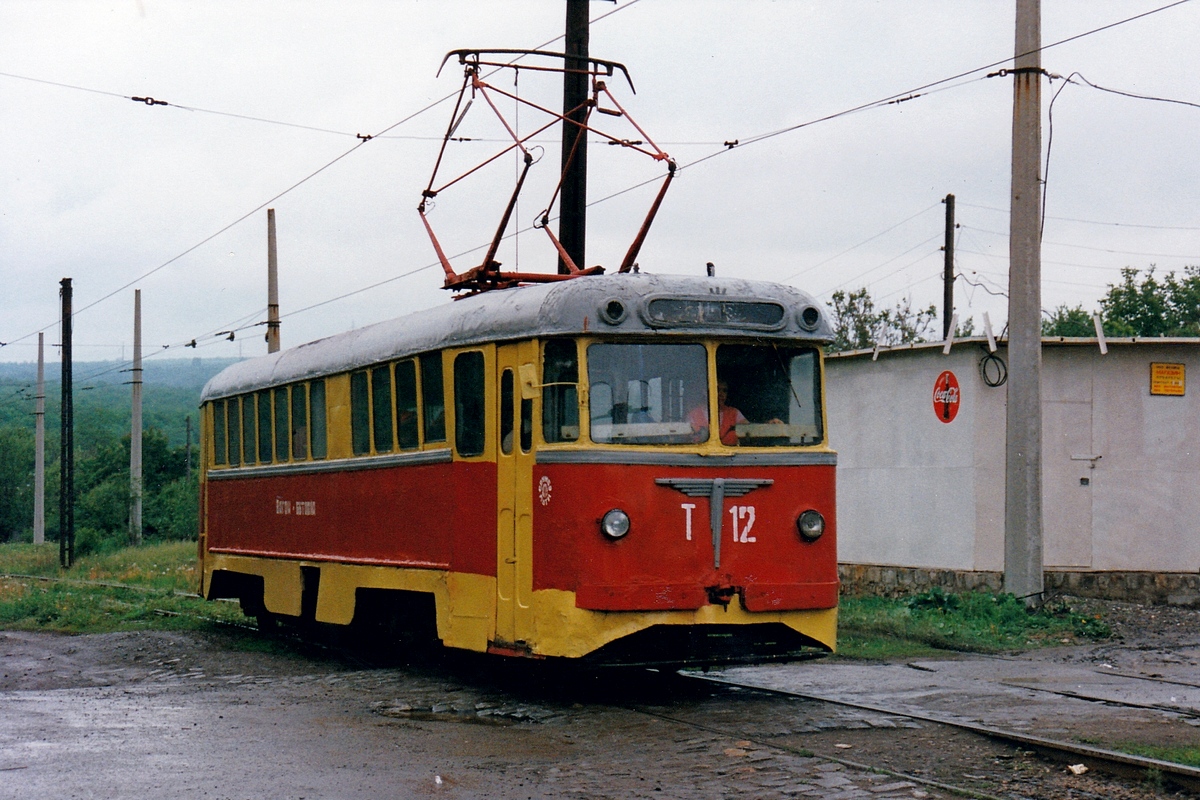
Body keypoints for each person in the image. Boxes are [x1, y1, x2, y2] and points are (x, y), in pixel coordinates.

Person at [689, 379, 749, 445]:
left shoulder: (734, 413)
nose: (721, 394)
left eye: (724, 391)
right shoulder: (693, 415)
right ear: (706, 392)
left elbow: (749, 431)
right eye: (717, 390)